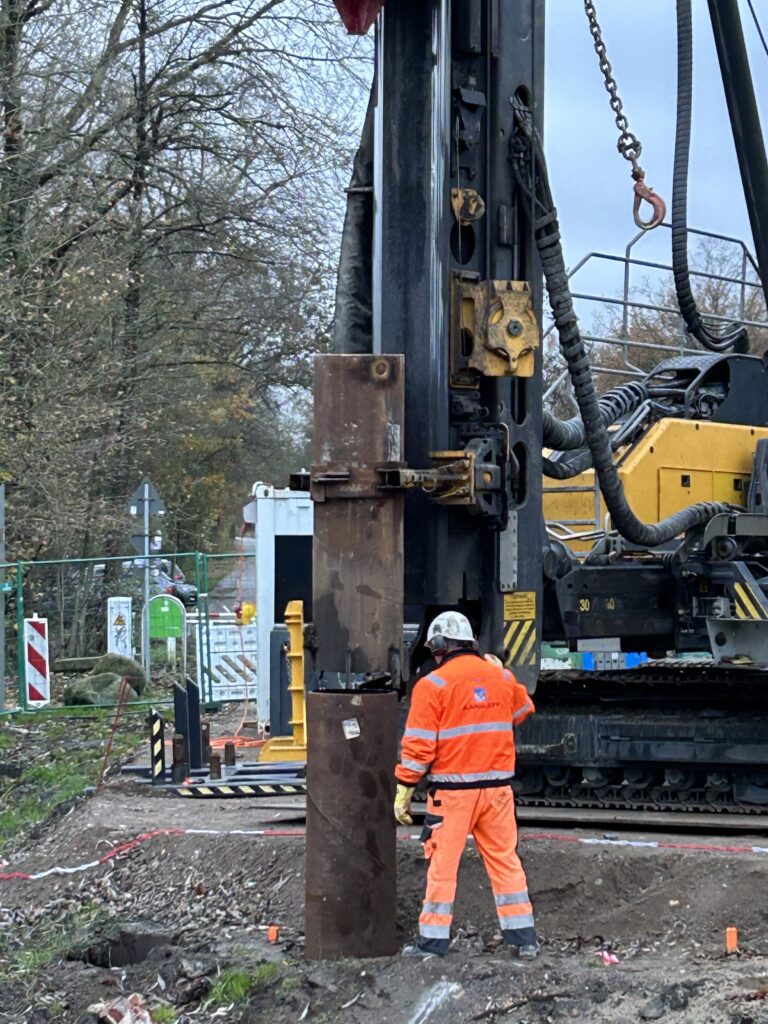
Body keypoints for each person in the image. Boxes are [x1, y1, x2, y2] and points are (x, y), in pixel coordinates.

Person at [394, 611, 538, 959]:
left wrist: (404, 788)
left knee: (443, 866)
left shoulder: (432, 686)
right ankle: (524, 941)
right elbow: (523, 711)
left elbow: (419, 748)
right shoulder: (499, 677)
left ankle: (432, 942)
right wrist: (504, 673)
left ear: (439, 646)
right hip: (498, 793)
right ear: (471, 643)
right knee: (505, 861)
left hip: (453, 796)